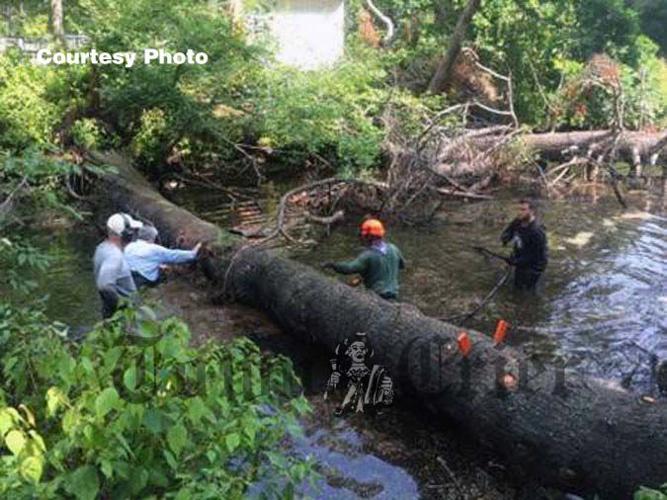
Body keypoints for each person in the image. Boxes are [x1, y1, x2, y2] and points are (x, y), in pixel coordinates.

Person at [322, 218, 405, 300]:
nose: (362, 238)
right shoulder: (394, 248)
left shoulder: (368, 256)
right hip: (394, 294)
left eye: (364, 236)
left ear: (369, 237)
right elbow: (402, 265)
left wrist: (332, 265)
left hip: (377, 296)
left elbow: (349, 268)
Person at [93, 213, 142, 319]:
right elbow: (104, 286)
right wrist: (122, 307)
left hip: (109, 312)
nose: (134, 233)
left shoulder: (102, 247)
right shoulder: (114, 256)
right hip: (122, 316)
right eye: (132, 231)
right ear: (125, 234)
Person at [124, 225, 201, 288]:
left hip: (127, 277)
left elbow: (139, 260)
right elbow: (174, 255)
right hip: (143, 280)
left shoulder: (130, 246)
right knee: (165, 277)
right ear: (153, 237)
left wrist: (159, 265)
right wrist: (193, 253)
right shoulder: (154, 249)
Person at [500, 199, 548, 291]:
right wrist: (506, 238)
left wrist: (516, 261)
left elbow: (536, 256)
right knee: (516, 287)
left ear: (532, 211)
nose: (519, 212)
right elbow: (509, 231)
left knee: (527, 291)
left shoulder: (537, 231)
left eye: (523, 210)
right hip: (520, 259)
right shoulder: (518, 221)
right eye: (518, 209)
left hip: (534, 268)